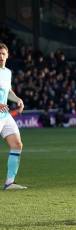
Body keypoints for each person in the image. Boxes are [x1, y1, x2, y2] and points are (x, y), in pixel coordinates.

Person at [0, 43, 26, 190]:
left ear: (7, 55)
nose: (1, 56)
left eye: (3, 53)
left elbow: (8, 91)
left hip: (4, 115)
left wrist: (18, 99)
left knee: (17, 145)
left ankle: (9, 182)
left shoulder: (7, 72)